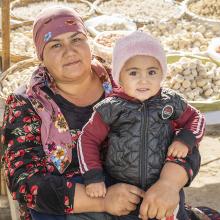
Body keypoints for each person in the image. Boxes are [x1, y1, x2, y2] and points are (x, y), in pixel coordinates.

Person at [0, 6, 201, 220]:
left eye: (76, 39)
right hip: (71, 210)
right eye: (56, 45)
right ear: (41, 56)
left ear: (89, 44)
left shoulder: (125, 80)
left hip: (141, 198)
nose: (70, 51)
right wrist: (103, 201)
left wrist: (169, 184)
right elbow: (23, 180)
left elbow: (185, 136)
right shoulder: (27, 104)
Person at [77, 31, 205, 219]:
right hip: (123, 188)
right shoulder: (111, 108)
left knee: (176, 214)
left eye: (152, 72)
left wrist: (185, 139)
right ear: (119, 77)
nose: (144, 80)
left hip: (163, 183)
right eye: (134, 72)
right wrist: (93, 176)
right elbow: (87, 139)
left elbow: (196, 118)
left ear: (162, 73)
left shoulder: (170, 101)